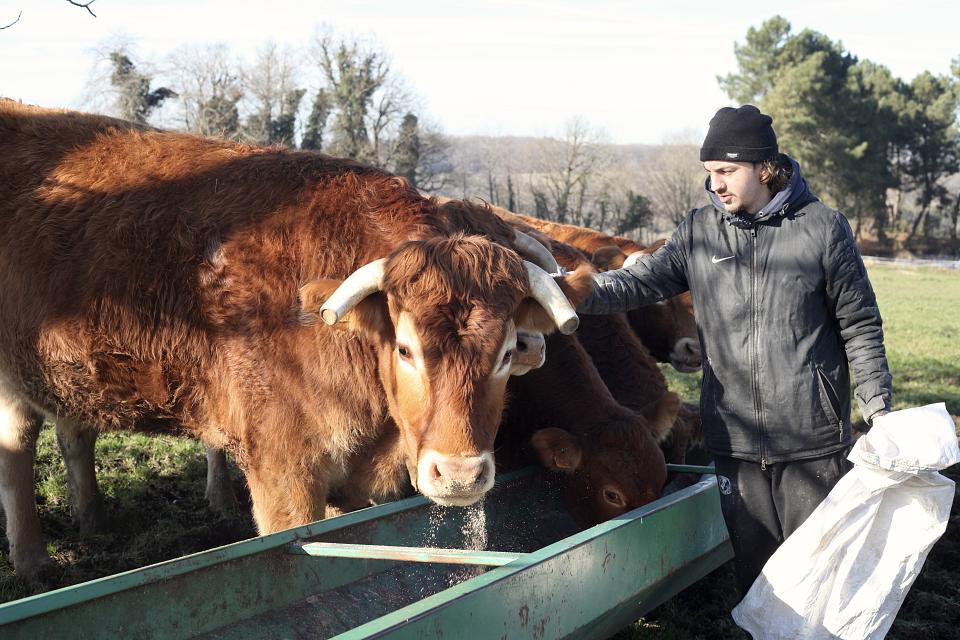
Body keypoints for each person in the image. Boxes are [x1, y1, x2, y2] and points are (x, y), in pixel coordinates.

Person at [577, 104, 893, 598]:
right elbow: (635, 284)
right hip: (734, 441)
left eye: (727, 171)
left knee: (819, 578)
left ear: (763, 167)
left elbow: (860, 324)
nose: (716, 184)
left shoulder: (823, 229)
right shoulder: (700, 231)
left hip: (809, 439)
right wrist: (568, 290)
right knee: (756, 581)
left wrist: (877, 407)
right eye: (710, 173)